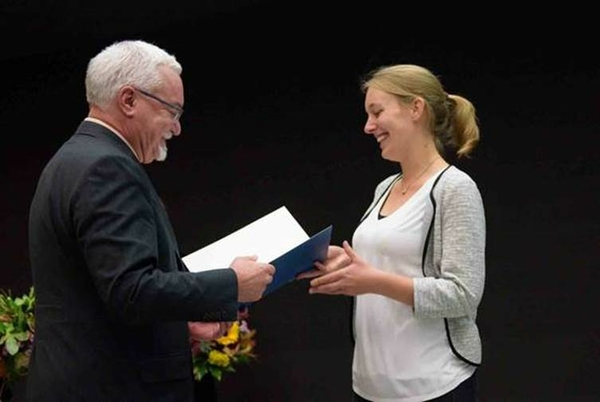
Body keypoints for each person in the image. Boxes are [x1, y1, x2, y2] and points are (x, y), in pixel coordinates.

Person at [26, 40, 275, 401]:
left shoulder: (75, 159)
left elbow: (105, 295)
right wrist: (232, 283)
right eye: (172, 111)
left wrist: (182, 321)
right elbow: (131, 292)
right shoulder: (105, 167)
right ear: (129, 100)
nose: (176, 128)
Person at [301, 64, 485, 401]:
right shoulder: (386, 187)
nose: (368, 126)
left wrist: (372, 281)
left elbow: (462, 294)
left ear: (416, 108)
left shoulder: (454, 188)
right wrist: (343, 262)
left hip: (433, 385)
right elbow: (386, 265)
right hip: (372, 385)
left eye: (376, 112)